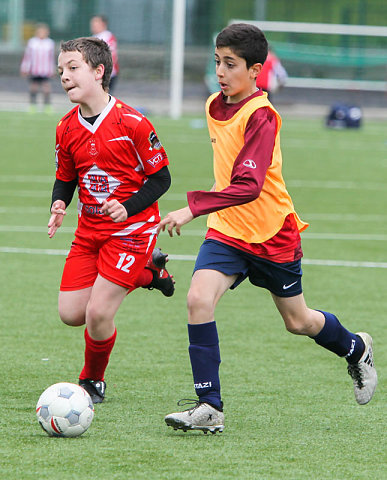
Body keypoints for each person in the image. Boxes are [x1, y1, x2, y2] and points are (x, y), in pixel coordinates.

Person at [158, 23, 377, 434]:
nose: (221, 72)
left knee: (298, 322)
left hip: (272, 232)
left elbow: (249, 185)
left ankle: (356, 347)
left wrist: (192, 209)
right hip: (227, 231)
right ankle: (210, 407)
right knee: (198, 300)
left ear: (256, 69)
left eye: (231, 64)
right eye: (217, 61)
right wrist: (209, 210)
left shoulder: (262, 116)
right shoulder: (212, 104)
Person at [48, 36, 174, 404]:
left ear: (99, 71)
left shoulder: (133, 122)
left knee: (98, 313)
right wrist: (59, 204)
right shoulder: (66, 127)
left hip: (132, 231)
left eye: (73, 68)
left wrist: (129, 207)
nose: (65, 77)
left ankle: (92, 380)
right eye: (61, 71)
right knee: (71, 314)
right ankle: (150, 273)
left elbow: (162, 179)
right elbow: (66, 176)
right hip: (89, 233)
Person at [20, 23, 56, 112]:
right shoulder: (32, 42)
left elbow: (51, 58)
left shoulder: (50, 43)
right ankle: (32, 105)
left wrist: (53, 69)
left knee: (46, 88)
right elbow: (27, 56)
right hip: (34, 70)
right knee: (33, 87)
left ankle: (47, 106)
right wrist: (24, 68)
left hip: (45, 70)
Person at [90, 15, 119, 93]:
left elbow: (111, 56)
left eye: (95, 23)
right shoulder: (95, 37)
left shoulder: (106, 37)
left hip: (106, 72)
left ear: (103, 24)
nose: (92, 25)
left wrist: (105, 70)